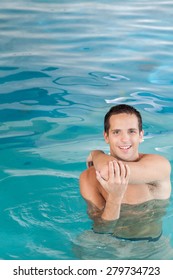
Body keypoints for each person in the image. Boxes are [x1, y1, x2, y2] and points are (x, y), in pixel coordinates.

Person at [79, 104, 171, 241]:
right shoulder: (88, 178)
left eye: (131, 131)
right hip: (108, 245)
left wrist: (96, 153)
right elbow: (102, 229)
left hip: (151, 246)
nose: (125, 139)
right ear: (106, 136)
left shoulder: (159, 165)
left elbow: (110, 171)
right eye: (116, 132)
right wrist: (115, 198)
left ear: (141, 135)